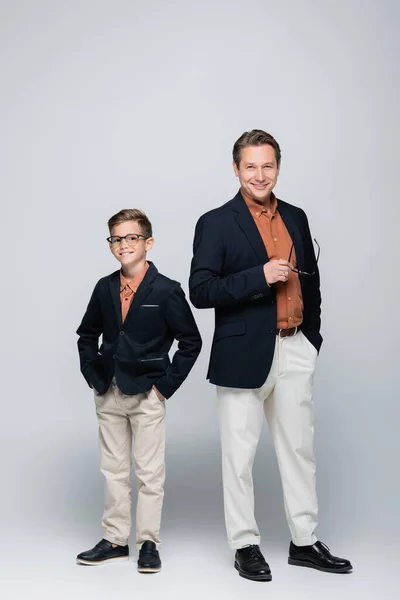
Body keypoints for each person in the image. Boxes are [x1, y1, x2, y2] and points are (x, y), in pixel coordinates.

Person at [189, 130, 352, 581]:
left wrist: (311, 341)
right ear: (236, 169)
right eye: (250, 166)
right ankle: (245, 545)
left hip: (296, 347)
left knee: (300, 450)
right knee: (238, 456)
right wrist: (259, 276)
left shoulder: (296, 217)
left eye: (267, 166)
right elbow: (200, 291)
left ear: (278, 167)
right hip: (243, 354)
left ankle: (304, 541)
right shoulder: (216, 222)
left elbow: (313, 282)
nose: (260, 175)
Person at [76, 209, 202, 572]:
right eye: (117, 239)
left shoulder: (166, 290)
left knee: (149, 473)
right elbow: (87, 333)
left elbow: (190, 341)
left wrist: (164, 388)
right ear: (111, 245)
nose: (124, 245)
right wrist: (91, 373)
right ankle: (115, 539)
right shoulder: (104, 287)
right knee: (113, 469)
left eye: (131, 238)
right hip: (109, 390)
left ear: (148, 242)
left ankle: (148, 542)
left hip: (147, 393)